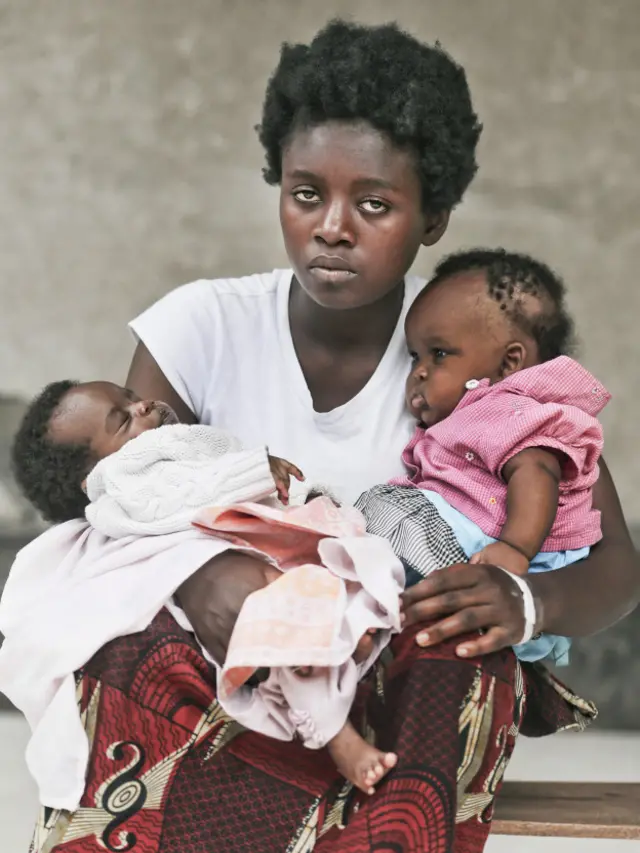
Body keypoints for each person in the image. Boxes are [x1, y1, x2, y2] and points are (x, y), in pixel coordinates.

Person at [24, 19, 637, 853]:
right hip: (239, 674)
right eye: (306, 193)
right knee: (133, 637)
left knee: (458, 639)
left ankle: (389, 831)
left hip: (396, 685)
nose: (333, 227)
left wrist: (525, 602)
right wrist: (202, 573)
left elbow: (617, 565)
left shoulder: (474, 340)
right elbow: (129, 505)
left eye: (375, 204)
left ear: (435, 217)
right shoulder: (199, 327)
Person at [10, 379, 404, 796]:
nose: (143, 405)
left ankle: (342, 640)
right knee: (273, 616)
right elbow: (167, 499)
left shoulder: (169, 446)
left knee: (337, 579)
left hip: (274, 545)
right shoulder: (122, 478)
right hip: (245, 571)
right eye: (123, 420)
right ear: (93, 478)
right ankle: (337, 737)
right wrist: (252, 472)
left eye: (130, 397)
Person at [358, 247, 609, 668]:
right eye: (415, 356)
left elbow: (536, 471)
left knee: (383, 517)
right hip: (463, 542)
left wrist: (515, 547)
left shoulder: (511, 409)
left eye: (438, 354)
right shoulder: (473, 414)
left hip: (488, 547)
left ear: (509, 362)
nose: (419, 371)